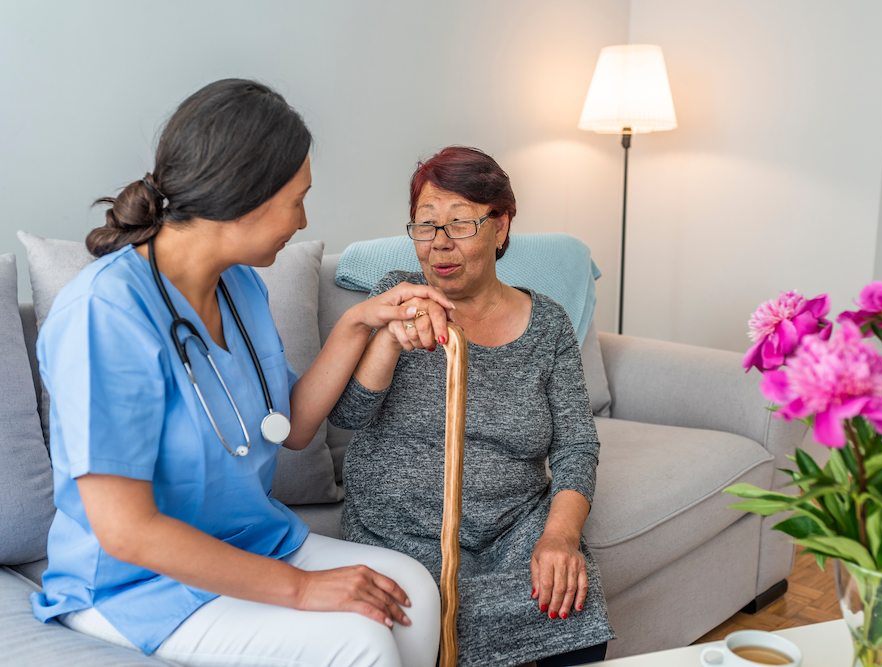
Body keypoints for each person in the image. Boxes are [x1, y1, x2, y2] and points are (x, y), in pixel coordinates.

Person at [31, 79, 453, 667]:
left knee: (410, 587)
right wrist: (304, 590)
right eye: (297, 199)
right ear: (244, 197)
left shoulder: (240, 285)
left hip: (252, 539)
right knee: (358, 638)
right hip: (135, 582)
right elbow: (126, 532)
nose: (303, 220)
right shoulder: (104, 313)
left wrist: (361, 321)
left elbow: (292, 428)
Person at [329, 146, 615, 667]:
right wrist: (388, 341)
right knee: (428, 608)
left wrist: (558, 536)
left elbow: (576, 444)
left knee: (569, 592)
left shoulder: (547, 326)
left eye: (461, 224)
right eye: (425, 225)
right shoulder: (398, 295)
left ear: (501, 227)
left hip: (510, 526)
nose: (440, 245)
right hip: (398, 534)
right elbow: (347, 417)